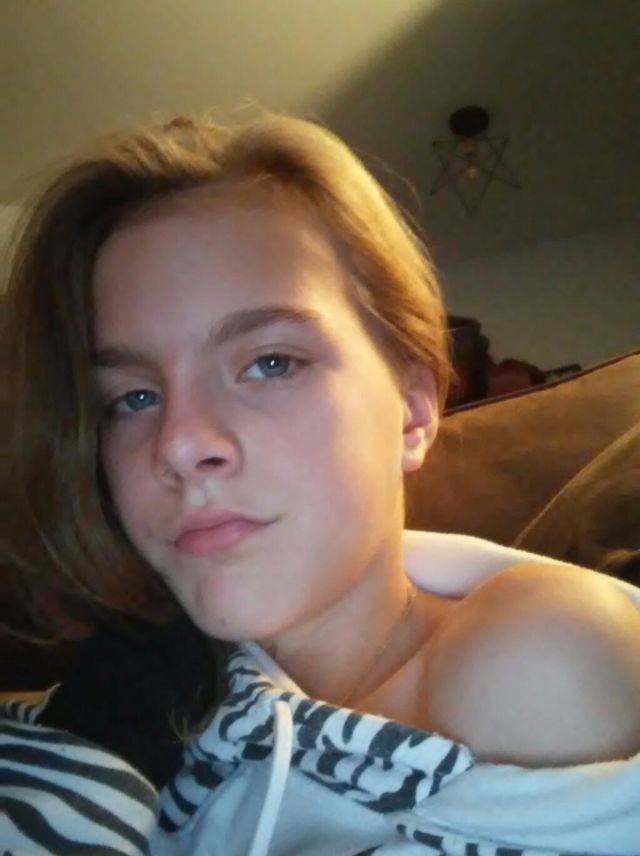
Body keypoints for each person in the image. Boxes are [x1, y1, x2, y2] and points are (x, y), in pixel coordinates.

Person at [2, 113, 639, 855]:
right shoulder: (142, 694)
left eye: (270, 363)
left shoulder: (535, 657)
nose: (178, 444)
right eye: (132, 398)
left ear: (412, 411)